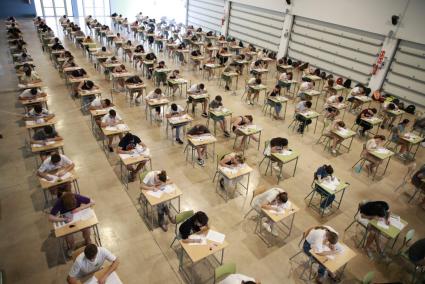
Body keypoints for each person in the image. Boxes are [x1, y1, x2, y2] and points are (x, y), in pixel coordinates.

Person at [49, 192, 94, 257]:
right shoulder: (60, 202)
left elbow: (92, 202)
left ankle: (87, 240)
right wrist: (63, 219)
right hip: (67, 218)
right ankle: (72, 246)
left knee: (86, 228)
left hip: (78, 216)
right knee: (68, 235)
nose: (71, 208)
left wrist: (79, 208)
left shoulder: (77, 197)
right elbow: (50, 218)